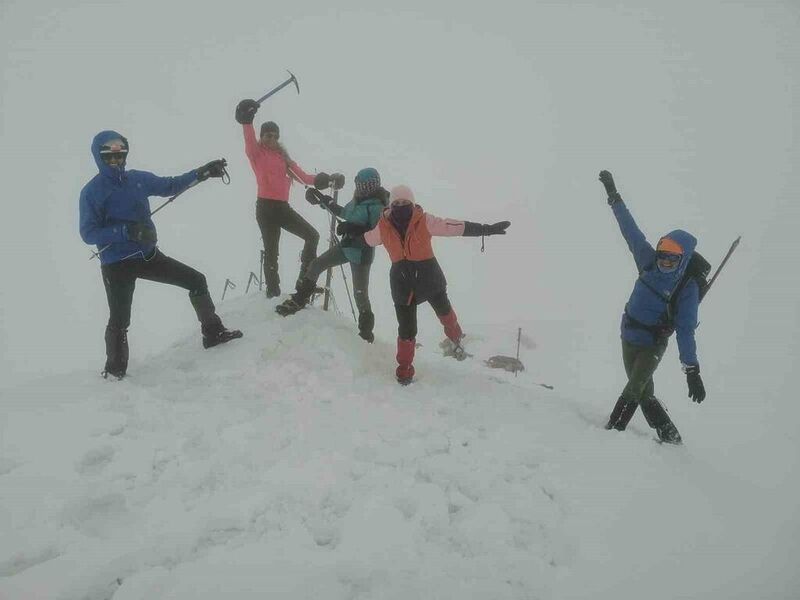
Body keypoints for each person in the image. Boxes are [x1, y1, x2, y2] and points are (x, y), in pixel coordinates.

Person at [79, 130, 242, 380]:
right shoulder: (92, 191)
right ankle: (114, 371)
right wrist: (126, 231)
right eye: (108, 157)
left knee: (196, 280)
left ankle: (213, 333)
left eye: (119, 155)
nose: (115, 161)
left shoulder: (137, 179)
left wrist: (202, 173)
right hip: (117, 264)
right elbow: (88, 233)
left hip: (148, 255)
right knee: (120, 320)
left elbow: (171, 185)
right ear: (99, 157)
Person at [361, 184, 510, 384]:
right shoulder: (383, 226)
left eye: (405, 202)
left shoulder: (424, 220)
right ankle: (404, 369)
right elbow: (368, 240)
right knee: (406, 329)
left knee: (446, 314)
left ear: (412, 203)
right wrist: (351, 233)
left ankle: (456, 337)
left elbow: (453, 227)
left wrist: (485, 230)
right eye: (397, 203)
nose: (401, 205)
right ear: (391, 205)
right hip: (402, 284)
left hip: (429, 278)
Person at [600, 170, 706, 444]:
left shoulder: (687, 289)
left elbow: (685, 331)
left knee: (633, 389)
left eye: (671, 261)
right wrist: (614, 196)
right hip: (628, 336)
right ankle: (669, 434)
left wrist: (691, 371)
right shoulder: (648, 261)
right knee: (644, 391)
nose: (663, 264)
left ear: (682, 261)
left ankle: (611, 432)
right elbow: (630, 230)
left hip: (652, 344)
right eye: (662, 257)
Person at [275, 168, 389, 343]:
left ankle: (366, 334)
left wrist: (353, 229)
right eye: (360, 184)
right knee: (317, 264)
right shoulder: (358, 199)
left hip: (361, 255)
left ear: (374, 185)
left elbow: (379, 236)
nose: (362, 187)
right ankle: (300, 298)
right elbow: (345, 213)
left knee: (360, 294)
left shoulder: (378, 207)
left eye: (365, 185)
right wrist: (323, 200)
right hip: (346, 247)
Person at [235, 99, 324, 298]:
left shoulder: (284, 158)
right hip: (265, 208)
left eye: (275, 136)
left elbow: (304, 177)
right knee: (271, 251)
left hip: (282, 208)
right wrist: (247, 120)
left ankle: (304, 282)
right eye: (268, 135)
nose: (272, 138)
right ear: (262, 136)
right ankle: (273, 293)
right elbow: (249, 138)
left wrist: (324, 179)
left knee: (312, 236)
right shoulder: (256, 153)